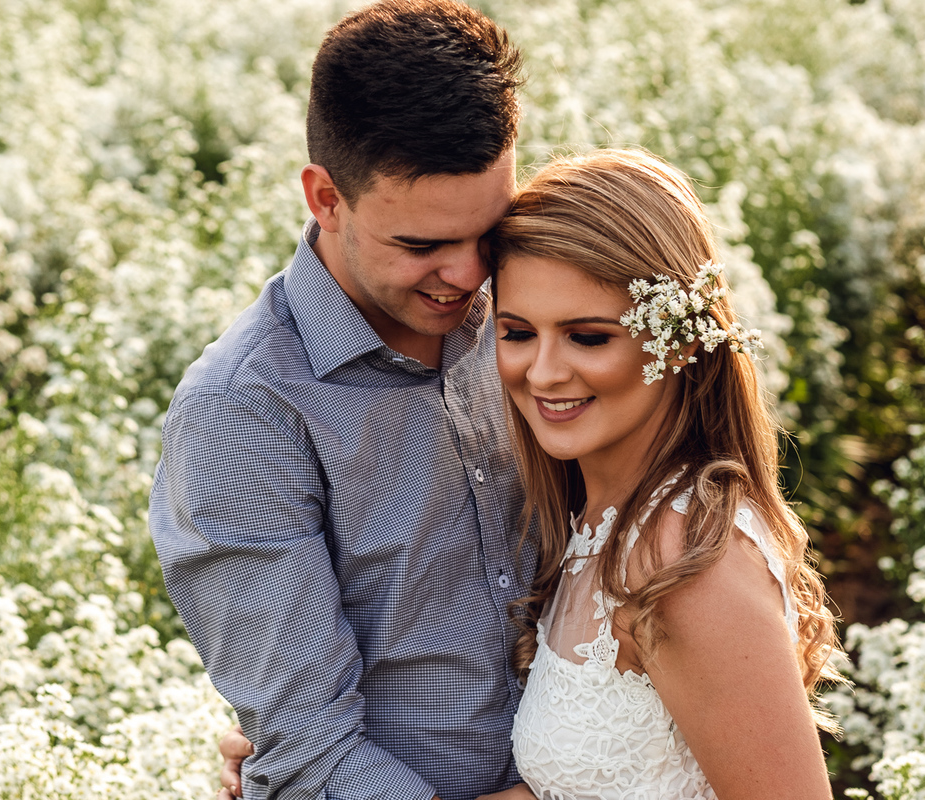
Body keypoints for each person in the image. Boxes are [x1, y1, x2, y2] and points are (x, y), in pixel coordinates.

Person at [149, 2, 535, 799]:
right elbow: (313, 756)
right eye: (421, 244)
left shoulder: (538, 319)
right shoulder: (244, 412)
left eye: (486, 233)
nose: (467, 276)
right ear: (326, 197)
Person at [485, 148, 842, 799]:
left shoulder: (685, 561)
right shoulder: (593, 520)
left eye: (587, 337)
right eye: (516, 332)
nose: (541, 372)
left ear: (676, 341)